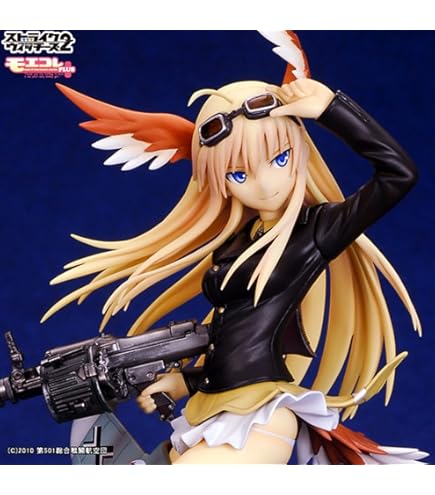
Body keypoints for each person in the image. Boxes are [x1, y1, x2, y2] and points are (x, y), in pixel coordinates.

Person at [42, 32, 426, 464]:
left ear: (299, 151)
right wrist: (186, 382)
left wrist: (330, 109)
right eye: (239, 175)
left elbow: (398, 175)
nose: (264, 183)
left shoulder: (316, 230)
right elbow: (235, 334)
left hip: (261, 417)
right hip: (211, 409)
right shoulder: (237, 242)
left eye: (279, 159)